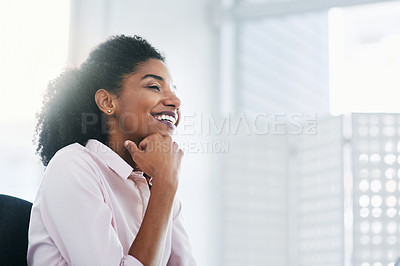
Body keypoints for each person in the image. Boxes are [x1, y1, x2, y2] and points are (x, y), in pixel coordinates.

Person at [27, 35, 196, 266]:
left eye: (174, 90)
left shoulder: (155, 182)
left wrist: (163, 184)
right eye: (155, 86)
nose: (175, 101)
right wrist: (166, 184)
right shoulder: (72, 165)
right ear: (107, 102)